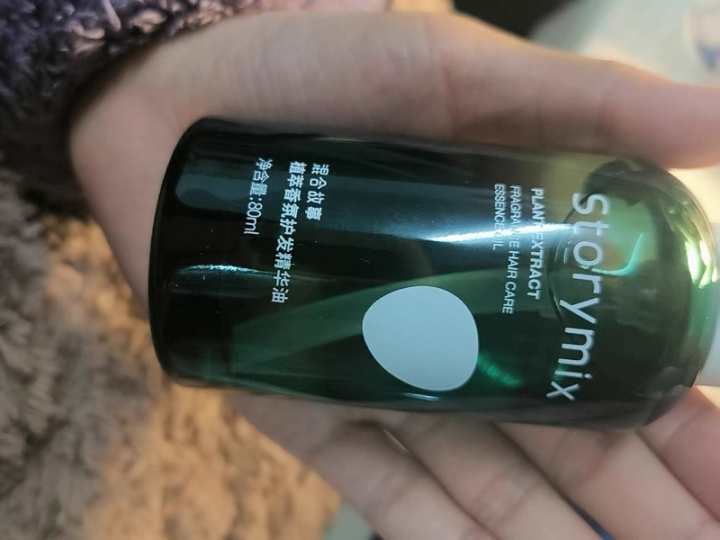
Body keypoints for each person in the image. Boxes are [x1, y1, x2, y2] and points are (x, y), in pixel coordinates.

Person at [7, 2, 720, 539]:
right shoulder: (667, 226)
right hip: (245, 183)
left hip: (221, 222)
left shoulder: (647, 381)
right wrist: (139, 67)